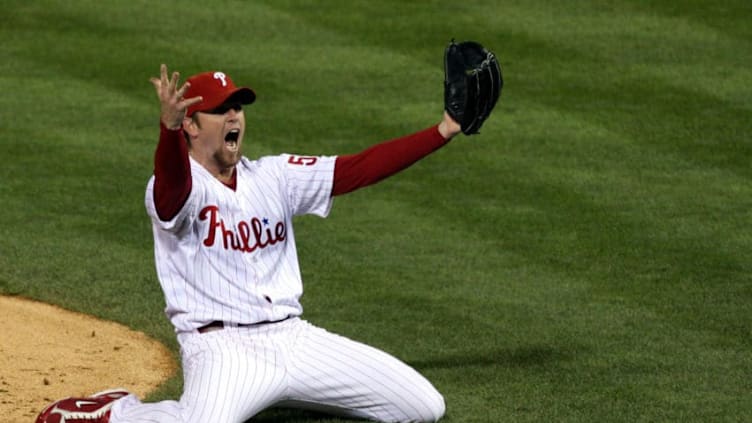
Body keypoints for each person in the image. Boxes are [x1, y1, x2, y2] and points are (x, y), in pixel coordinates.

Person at [37, 63, 465, 423]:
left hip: (294, 338)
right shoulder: (175, 187)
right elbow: (172, 189)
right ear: (190, 124)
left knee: (424, 407)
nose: (234, 117)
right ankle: (120, 412)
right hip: (222, 348)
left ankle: (282, 390)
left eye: (237, 107)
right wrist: (166, 133)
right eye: (220, 109)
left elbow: (358, 169)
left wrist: (443, 130)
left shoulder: (275, 176)